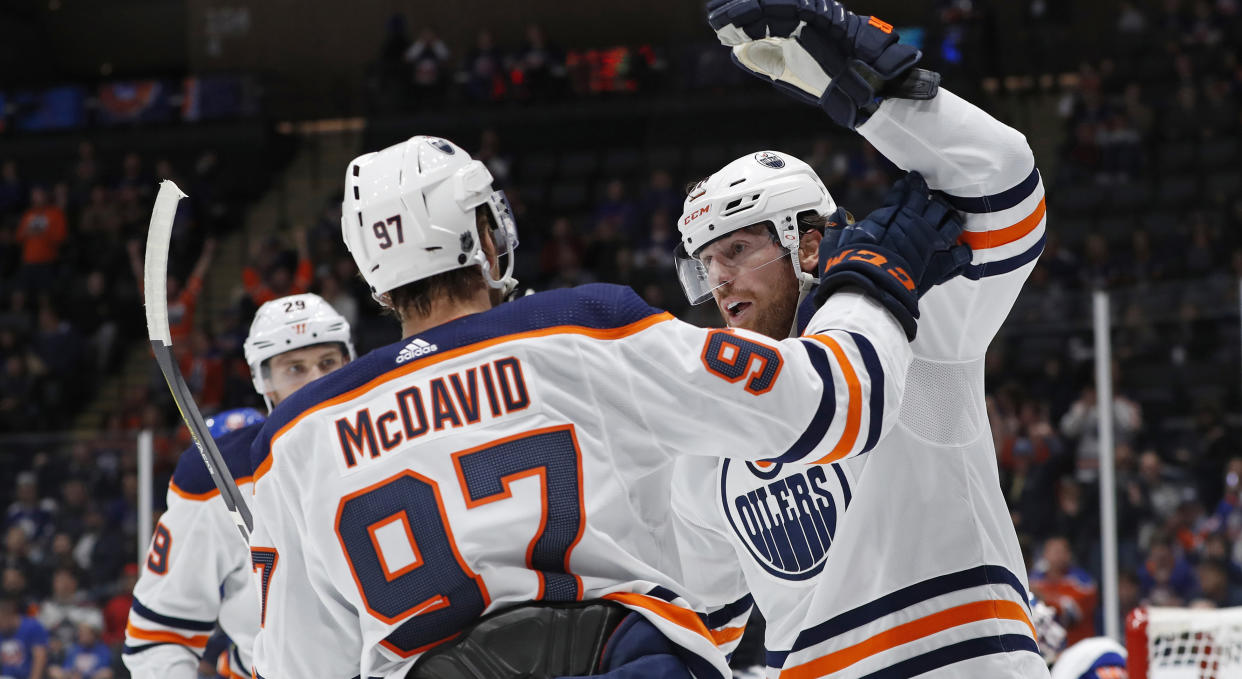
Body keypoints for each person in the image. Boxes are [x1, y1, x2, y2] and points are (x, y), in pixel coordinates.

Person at [245, 134, 967, 678]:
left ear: (372, 272)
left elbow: (299, 667)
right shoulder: (580, 326)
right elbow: (837, 402)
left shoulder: (294, 438)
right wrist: (869, 282)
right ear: (486, 235)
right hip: (621, 656)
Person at [668, 1, 1050, 676]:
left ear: (808, 244)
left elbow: (1003, 178)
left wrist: (877, 90)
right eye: (706, 262)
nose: (718, 279)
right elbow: (698, 622)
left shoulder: (918, 326)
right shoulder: (710, 430)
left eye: (736, 248)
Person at [123, 294, 354, 679]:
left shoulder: (392, 437)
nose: (317, 381)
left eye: (328, 362)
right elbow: (159, 636)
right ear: (265, 381)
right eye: (295, 368)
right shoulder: (215, 477)